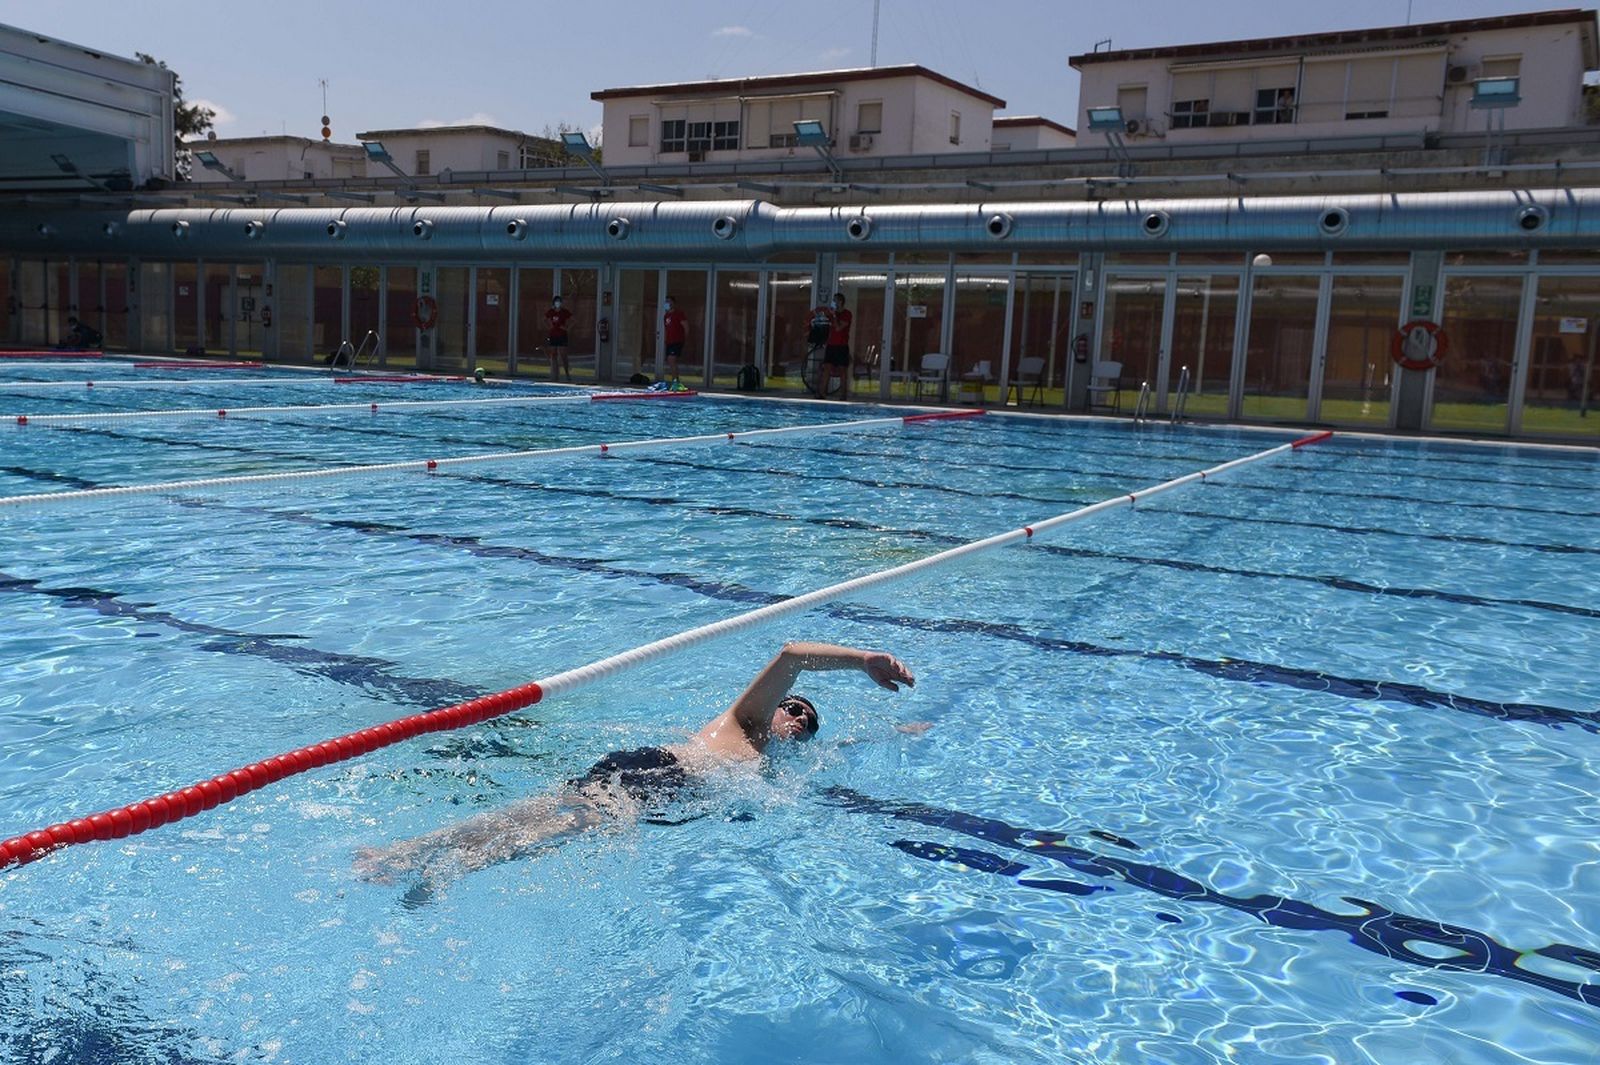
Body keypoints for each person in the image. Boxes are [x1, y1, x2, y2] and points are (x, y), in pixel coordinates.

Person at [353, 642, 915, 898]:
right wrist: (862, 661)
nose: (796, 717)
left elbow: (843, 753)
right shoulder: (745, 725)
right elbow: (793, 655)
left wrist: (905, 732)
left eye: (807, 721)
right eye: (794, 706)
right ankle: (448, 868)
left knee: (538, 813)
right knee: (561, 827)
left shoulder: (773, 766)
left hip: (651, 781)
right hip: (660, 773)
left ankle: (399, 853)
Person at [812, 292, 853, 400]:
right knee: (826, 369)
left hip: (841, 346)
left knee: (842, 370)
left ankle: (843, 394)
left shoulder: (847, 314)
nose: (833, 302)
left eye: (835, 300)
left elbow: (839, 328)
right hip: (831, 345)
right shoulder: (830, 314)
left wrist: (834, 315)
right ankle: (821, 393)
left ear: (840, 302)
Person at [543, 296, 573, 381]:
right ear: (553, 303)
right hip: (553, 335)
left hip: (562, 335)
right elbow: (544, 320)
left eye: (559, 301)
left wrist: (567, 328)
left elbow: (574, 320)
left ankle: (567, 374)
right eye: (556, 302)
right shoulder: (551, 312)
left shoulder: (564, 312)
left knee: (563, 355)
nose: (558, 303)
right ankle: (555, 375)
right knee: (553, 355)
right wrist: (549, 327)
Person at [662, 296, 688, 385]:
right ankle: (675, 381)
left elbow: (686, 326)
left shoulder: (679, 314)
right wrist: (665, 340)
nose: (667, 304)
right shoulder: (666, 316)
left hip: (677, 340)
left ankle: (675, 382)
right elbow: (666, 329)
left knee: (671, 359)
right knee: (670, 361)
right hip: (669, 341)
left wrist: (685, 338)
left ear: (673, 303)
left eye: (669, 302)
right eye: (666, 302)